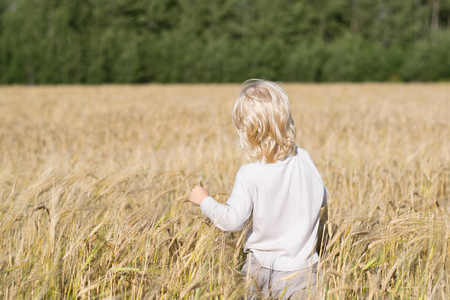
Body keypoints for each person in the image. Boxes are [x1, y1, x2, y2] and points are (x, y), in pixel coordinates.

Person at [189, 79, 328, 299]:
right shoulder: (304, 158)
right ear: (286, 120)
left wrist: (204, 200)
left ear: (246, 132)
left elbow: (231, 221)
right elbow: (322, 197)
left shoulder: (250, 173)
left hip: (259, 270)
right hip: (302, 272)